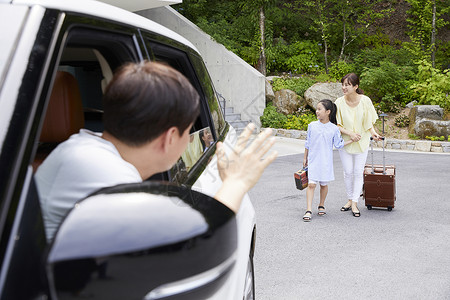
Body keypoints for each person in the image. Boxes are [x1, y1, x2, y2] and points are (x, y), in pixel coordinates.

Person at [36, 60, 277, 241]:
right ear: (170, 137)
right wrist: (236, 183)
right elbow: (194, 247)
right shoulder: (111, 184)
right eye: (188, 130)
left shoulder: (81, 148)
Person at [335, 73, 381, 217]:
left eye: (347, 85)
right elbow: (336, 125)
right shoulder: (338, 102)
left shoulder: (365, 101)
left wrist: (373, 133)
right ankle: (349, 199)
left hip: (362, 140)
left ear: (355, 87)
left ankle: (354, 202)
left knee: (357, 171)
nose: (344, 87)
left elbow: (369, 122)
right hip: (346, 142)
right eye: (343, 84)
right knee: (348, 172)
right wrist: (350, 134)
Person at [302, 99, 353, 222]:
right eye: (317, 109)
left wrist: (352, 140)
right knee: (311, 184)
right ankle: (309, 209)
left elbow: (339, 144)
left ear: (328, 112)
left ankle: (321, 205)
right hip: (313, 159)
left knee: (324, 185)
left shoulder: (334, 129)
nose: (317, 111)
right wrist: (305, 158)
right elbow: (307, 143)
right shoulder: (312, 126)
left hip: (325, 161)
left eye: (320, 109)